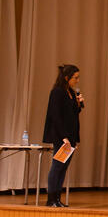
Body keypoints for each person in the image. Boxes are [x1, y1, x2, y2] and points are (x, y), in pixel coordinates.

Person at [43, 64, 84, 207]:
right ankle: (51, 199)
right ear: (67, 78)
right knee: (57, 166)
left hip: (71, 135)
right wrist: (63, 137)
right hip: (61, 136)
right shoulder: (57, 92)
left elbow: (73, 114)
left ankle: (57, 198)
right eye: (75, 77)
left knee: (64, 167)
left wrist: (79, 104)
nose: (77, 80)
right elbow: (55, 116)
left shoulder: (71, 93)